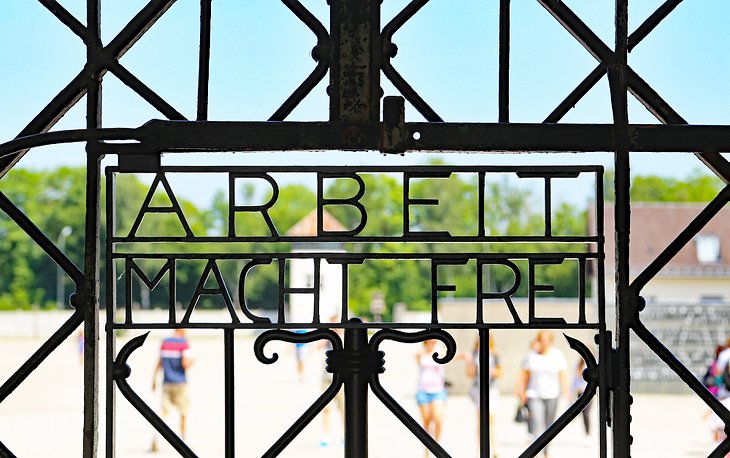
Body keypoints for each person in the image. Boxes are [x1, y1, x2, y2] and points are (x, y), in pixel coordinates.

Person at [517, 330, 568, 458]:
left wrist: (566, 392)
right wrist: (521, 391)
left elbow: (562, 375)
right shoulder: (531, 356)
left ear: (550, 342)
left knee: (549, 425)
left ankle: (546, 451)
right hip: (534, 395)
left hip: (552, 395)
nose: (543, 342)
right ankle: (537, 453)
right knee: (537, 422)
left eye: (546, 340)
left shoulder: (557, 354)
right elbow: (525, 375)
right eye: (541, 339)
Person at [151, 328, 193, 452]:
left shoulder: (165, 342)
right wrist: (192, 362)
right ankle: (184, 441)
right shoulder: (184, 343)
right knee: (183, 413)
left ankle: (156, 437)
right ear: (183, 330)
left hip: (167, 382)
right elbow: (185, 363)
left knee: (164, 413)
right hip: (180, 383)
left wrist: (154, 379)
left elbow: (160, 363)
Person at [467, 333, 501, 458]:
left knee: (491, 419)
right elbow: (470, 374)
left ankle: (493, 448)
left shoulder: (494, 354)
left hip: (492, 388)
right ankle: (479, 449)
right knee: (481, 421)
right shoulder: (474, 354)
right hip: (478, 388)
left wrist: (491, 371)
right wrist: (470, 363)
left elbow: (500, 371)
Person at [416, 339, 448, 457]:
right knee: (426, 423)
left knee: (438, 418)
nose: (431, 342)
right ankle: (426, 451)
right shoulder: (420, 354)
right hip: (423, 390)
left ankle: (436, 446)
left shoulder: (441, 352)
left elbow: (453, 356)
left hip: (438, 390)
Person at [572, 358, 592, 443]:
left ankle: (588, 434)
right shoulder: (578, 364)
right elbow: (575, 379)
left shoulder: (593, 364)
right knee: (583, 413)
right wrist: (571, 391)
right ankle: (586, 433)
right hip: (580, 392)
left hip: (590, 392)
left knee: (586, 413)